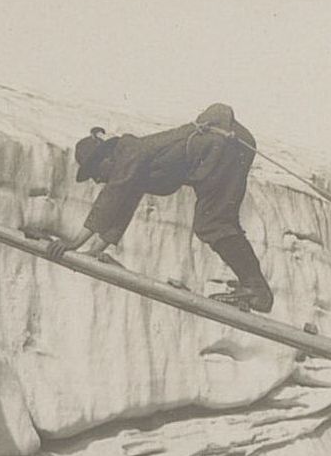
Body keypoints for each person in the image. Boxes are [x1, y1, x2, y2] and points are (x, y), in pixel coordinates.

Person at [44, 103, 274, 313]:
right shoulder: (133, 163)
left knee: (213, 223)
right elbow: (121, 209)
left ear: (105, 159)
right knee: (217, 221)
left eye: (95, 174)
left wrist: (73, 243)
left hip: (224, 146)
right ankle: (252, 285)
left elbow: (110, 200)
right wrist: (94, 250)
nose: (97, 180)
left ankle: (255, 289)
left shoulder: (129, 153)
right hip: (225, 147)